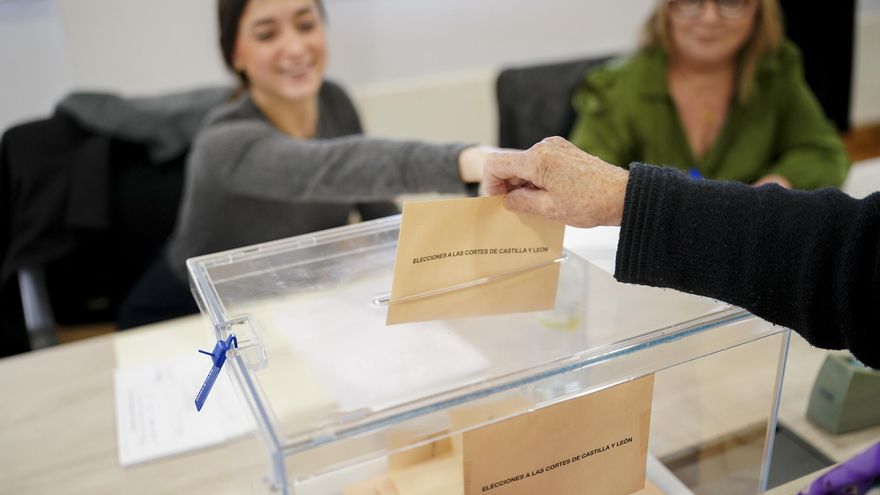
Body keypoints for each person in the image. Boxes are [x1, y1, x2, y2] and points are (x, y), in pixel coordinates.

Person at [117, 0, 494, 329]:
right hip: (184, 312)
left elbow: (377, 208)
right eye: (267, 34)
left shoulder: (334, 101)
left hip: (286, 303)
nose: (296, 48)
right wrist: (476, 161)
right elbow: (339, 167)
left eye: (306, 25)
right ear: (235, 55)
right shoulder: (223, 143)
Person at [483, 137, 879, 369]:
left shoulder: (775, 74)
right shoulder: (626, 86)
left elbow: (852, 262)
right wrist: (625, 197)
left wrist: (626, 197)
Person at [568, 0, 849, 190]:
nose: (710, 17)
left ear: (759, 9)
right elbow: (580, 179)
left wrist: (777, 184)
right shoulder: (617, 86)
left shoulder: (776, 72)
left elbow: (825, 154)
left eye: (730, 1)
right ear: (667, 8)